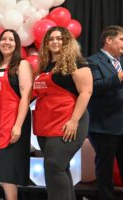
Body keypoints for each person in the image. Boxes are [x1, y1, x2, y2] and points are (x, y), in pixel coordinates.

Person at [33, 26, 93, 200]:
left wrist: (74, 121)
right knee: (60, 167)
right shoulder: (44, 66)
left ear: (67, 41)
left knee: (53, 166)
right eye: (51, 39)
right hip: (45, 124)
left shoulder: (77, 63)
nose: (55, 42)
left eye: (59, 38)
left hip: (68, 122)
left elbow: (86, 92)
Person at [0, 30, 32, 200]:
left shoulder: (22, 65)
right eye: (3, 39)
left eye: (11, 39)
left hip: (13, 122)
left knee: (8, 171)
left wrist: (18, 125)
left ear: (17, 44)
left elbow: (26, 96)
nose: (7, 42)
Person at [87, 25, 123, 200]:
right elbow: (93, 87)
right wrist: (119, 78)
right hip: (103, 127)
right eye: (122, 39)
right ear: (109, 40)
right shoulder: (92, 61)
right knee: (105, 170)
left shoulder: (122, 62)